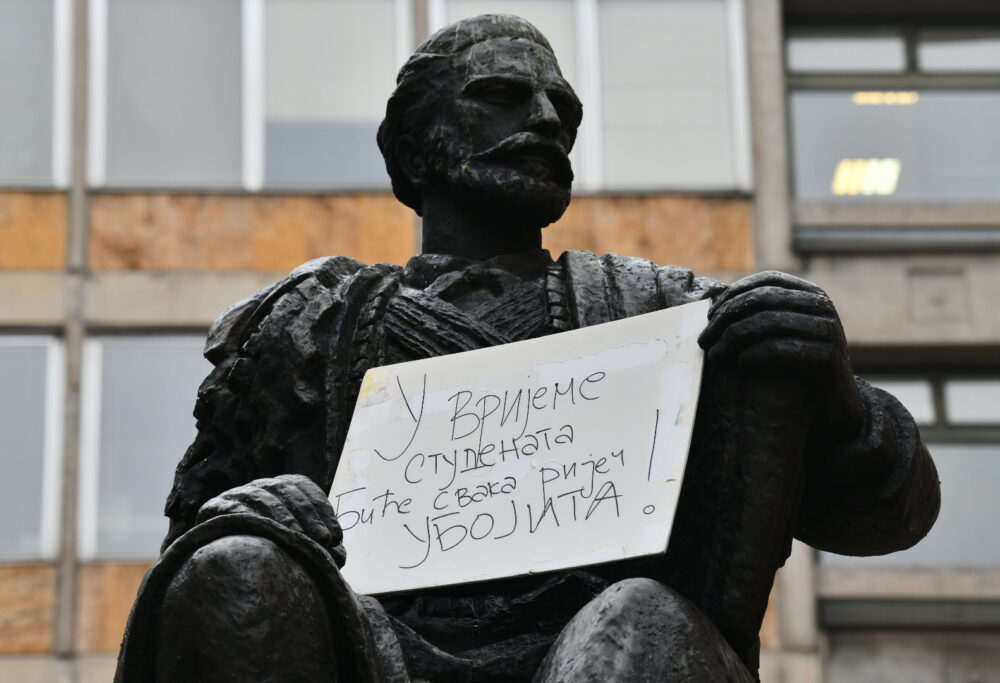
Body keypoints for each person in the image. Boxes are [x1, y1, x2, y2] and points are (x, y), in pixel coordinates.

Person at [116, 15, 939, 683]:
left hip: (614, 652)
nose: (546, 121)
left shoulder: (665, 313)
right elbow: (191, 558)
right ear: (413, 146)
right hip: (371, 651)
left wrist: (836, 394)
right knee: (236, 570)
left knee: (634, 621)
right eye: (503, 96)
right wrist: (247, 511)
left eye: (563, 111)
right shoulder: (308, 324)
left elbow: (891, 513)